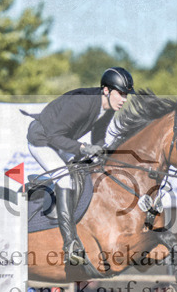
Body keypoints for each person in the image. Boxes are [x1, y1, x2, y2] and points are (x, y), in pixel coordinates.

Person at [24, 67, 135, 265]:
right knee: (65, 178)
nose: (124, 99)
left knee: (87, 170)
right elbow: (54, 136)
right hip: (41, 140)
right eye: (121, 94)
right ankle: (70, 244)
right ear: (107, 91)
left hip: (61, 140)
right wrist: (84, 148)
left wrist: (102, 152)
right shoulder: (82, 104)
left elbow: (99, 132)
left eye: (126, 95)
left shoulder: (108, 106)